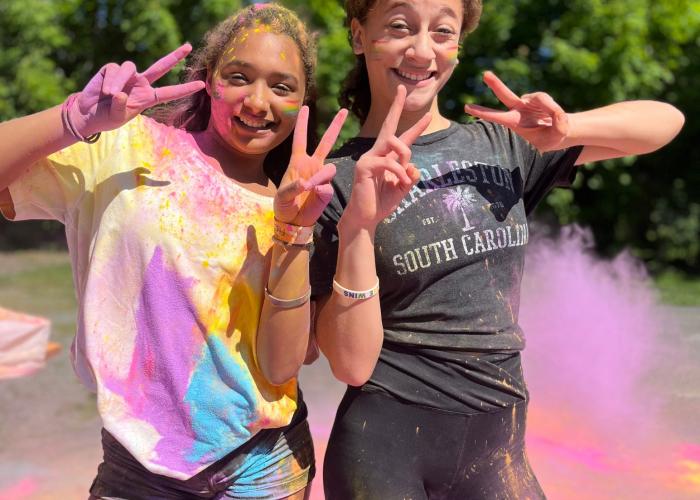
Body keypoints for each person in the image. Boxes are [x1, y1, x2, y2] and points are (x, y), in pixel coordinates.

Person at [309, 0, 685, 498]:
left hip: (499, 444)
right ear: (359, 35)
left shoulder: (502, 147)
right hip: (384, 448)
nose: (422, 50)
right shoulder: (332, 181)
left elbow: (664, 121)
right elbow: (349, 365)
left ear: (458, 48)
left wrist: (568, 129)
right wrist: (359, 225)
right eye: (399, 27)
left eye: (443, 31)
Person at [0, 4, 348, 499]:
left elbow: (280, 368)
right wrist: (72, 119)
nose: (257, 100)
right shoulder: (124, 147)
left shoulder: (296, 204)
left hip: (263, 467)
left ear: (302, 103)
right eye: (239, 76)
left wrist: (292, 231)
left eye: (281, 86)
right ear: (209, 82)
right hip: (135, 463)